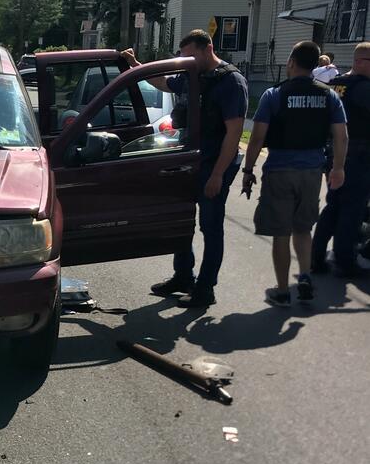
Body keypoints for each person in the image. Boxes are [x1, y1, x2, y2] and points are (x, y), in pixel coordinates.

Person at [122, 29, 247, 309]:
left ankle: (205, 289)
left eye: (191, 55)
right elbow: (165, 83)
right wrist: (135, 66)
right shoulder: (193, 75)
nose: (186, 61)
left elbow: (234, 133)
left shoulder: (230, 82)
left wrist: (217, 174)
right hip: (189, 162)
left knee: (210, 226)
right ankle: (183, 276)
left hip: (216, 164)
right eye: (183, 56)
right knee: (182, 220)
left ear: (208, 48)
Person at [242, 40, 347, 306]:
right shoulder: (328, 95)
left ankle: (281, 290)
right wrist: (337, 168)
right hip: (312, 171)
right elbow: (341, 136)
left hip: (279, 169)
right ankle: (305, 276)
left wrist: (248, 169)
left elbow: (256, 138)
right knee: (303, 229)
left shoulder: (274, 95)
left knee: (281, 232)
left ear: (291, 62)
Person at [311, 41, 370, 275]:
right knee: (352, 209)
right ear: (359, 61)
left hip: (335, 153)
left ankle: (317, 256)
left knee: (334, 205)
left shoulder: (336, 84)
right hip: (359, 154)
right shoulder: (364, 88)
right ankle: (345, 260)